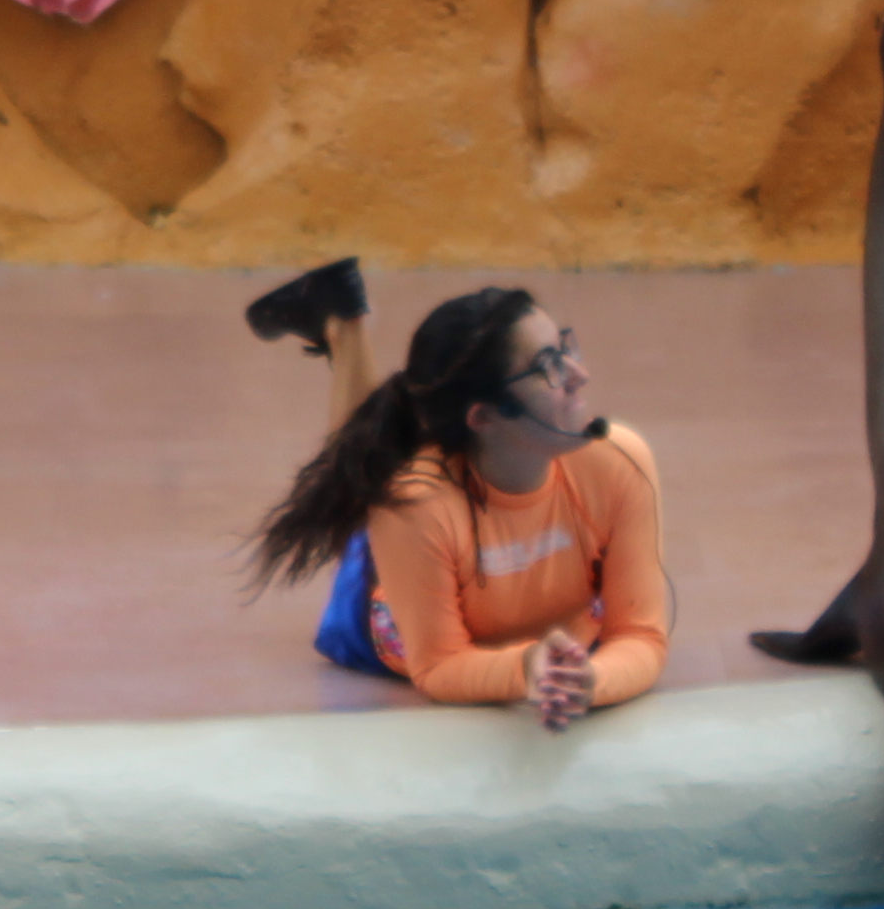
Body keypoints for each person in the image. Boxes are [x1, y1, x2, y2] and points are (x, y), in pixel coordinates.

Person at [241, 264, 669, 729]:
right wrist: (525, 670)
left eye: (565, 348)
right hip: (402, 591)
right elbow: (440, 666)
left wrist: (592, 682)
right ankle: (343, 327)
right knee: (361, 485)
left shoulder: (618, 461)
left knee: (378, 478)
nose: (579, 374)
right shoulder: (415, 506)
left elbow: (641, 635)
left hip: (452, 534)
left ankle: (343, 314)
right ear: (484, 417)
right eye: (548, 366)